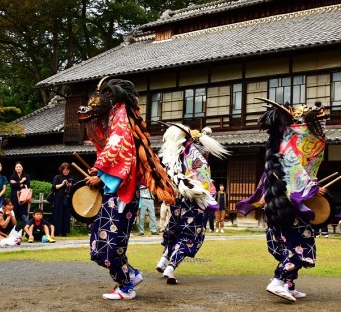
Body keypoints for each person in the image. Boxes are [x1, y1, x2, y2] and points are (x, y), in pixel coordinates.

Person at [79, 78, 176, 300]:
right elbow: (111, 148)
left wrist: (101, 176)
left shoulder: (122, 118)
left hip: (123, 194)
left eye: (103, 95)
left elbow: (118, 151)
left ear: (112, 97)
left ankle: (126, 286)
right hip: (115, 194)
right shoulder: (118, 117)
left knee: (111, 246)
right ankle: (130, 276)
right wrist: (101, 173)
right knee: (99, 243)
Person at [237, 101, 329, 302]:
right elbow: (293, 172)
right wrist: (312, 188)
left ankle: (289, 284)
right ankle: (278, 281)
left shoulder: (281, 143)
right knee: (301, 247)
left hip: (280, 205)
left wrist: (311, 187)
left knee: (291, 245)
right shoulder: (291, 145)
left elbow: (291, 174)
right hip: (288, 207)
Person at [156, 124, 228, 285]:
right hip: (192, 200)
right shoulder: (196, 154)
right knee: (189, 235)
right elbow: (203, 181)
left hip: (178, 198)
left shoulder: (175, 153)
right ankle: (171, 267)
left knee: (173, 230)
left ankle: (163, 260)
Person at [51, 162, 74, 236]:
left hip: (67, 198)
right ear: (62, 170)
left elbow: (73, 188)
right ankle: (56, 231)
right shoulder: (57, 177)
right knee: (58, 213)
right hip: (59, 198)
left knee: (66, 214)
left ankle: (65, 232)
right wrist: (62, 184)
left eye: (67, 170)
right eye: (65, 170)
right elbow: (54, 187)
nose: (66, 171)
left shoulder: (71, 178)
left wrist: (70, 185)